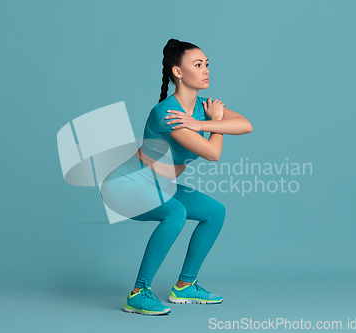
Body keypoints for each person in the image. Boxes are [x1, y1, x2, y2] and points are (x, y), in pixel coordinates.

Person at [100, 38, 253, 316]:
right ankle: (138, 293)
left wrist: (202, 122)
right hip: (124, 185)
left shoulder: (202, 107)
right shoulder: (167, 114)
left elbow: (245, 125)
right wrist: (216, 124)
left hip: (156, 185)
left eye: (207, 64)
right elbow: (212, 153)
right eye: (198, 64)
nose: (206, 69)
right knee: (176, 213)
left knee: (215, 212)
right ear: (178, 72)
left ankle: (185, 286)